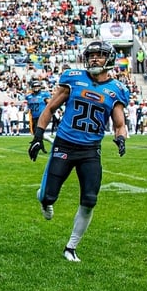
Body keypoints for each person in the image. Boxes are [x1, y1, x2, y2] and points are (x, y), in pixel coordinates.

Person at [26, 40, 130, 263]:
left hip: (90, 150)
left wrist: (121, 138)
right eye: (91, 55)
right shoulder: (73, 78)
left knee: (90, 199)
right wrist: (37, 136)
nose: (94, 59)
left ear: (109, 59)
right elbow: (50, 108)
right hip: (64, 144)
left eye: (100, 55)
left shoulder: (117, 90)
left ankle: (71, 247)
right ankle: (43, 198)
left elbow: (119, 123)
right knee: (48, 196)